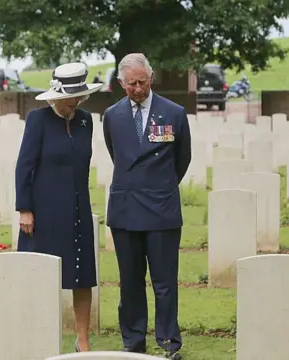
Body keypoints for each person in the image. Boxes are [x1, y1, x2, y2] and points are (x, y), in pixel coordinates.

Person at [102, 53, 191, 359]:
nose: (138, 89)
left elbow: (182, 159)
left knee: (164, 283)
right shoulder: (112, 116)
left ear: (151, 78)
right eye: (131, 84)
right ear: (120, 83)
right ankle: (133, 340)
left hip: (161, 209)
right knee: (130, 281)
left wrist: (161, 186)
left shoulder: (174, 113)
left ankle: (168, 342)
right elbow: (118, 155)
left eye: (142, 81)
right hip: (126, 210)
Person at [15, 62, 103, 353]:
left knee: (83, 275)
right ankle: (35, 333)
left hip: (77, 209)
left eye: (78, 99)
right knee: (40, 274)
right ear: (56, 96)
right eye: (69, 100)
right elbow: (24, 166)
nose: (74, 104)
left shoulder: (85, 121)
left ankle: (83, 341)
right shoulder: (37, 120)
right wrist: (25, 209)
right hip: (43, 211)